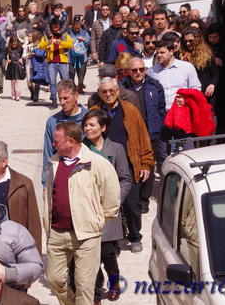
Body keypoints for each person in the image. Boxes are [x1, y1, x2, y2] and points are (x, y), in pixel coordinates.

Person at [43, 121, 120, 305]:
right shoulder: (52, 163)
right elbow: (48, 196)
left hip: (86, 234)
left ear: (71, 142)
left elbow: (111, 198)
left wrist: (97, 219)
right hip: (57, 234)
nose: (53, 145)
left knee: (85, 285)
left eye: (56, 141)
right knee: (54, 280)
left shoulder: (97, 163)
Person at [90, 77, 154, 253]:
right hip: (103, 165)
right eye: (104, 91)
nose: (108, 94)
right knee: (108, 205)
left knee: (132, 203)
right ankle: (114, 241)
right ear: (99, 94)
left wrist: (146, 164)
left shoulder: (130, 111)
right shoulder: (94, 112)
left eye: (112, 90)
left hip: (129, 164)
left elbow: (143, 136)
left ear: (118, 91)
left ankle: (135, 236)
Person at [81, 110, 132, 304]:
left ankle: (114, 281)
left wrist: (114, 200)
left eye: (92, 125)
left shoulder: (116, 149)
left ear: (103, 127)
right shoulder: (80, 149)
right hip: (86, 210)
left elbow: (125, 179)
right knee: (89, 257)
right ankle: (94, 294)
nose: (88, 128)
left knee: (108, 254)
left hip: (108, 212)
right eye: (86, 125)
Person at [121, 58, 166, 213]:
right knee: (132, 164)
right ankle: (132, 197)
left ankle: (144, 199)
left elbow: (161, 109)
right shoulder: (122, 87)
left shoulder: (154, 85)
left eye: (141, 69)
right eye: (134, 70)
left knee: (149, 165)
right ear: (128, 71)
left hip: (151, 132)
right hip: (131, 133)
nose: (138, 73)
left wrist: (158, 127)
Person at [42, 80, 88, 184]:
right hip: (61, 177)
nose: (62, 102)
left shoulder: (89, 119)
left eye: (66, 98)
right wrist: (46, 184)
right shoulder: (52, 122)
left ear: (76, 96)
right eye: (60, 99)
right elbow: (48, 155)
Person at [147, 39, 201, 111]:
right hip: (161, 113)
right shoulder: (151, 71)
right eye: (157, 53)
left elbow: (196, 88)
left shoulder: (187, 67)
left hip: (182, 111)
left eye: (162, 52)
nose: (159, 55)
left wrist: (186, 100)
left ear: (171, 51)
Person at [39, 18, 73, 109]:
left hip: (62, 62)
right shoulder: (47, 36)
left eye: (57, 27)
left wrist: (61, 42)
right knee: (52, 82)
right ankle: (54, 100)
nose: (55, 29)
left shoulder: (64, 34)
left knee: (66, 81)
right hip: (51, 62)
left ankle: (67, 98)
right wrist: (48, 43)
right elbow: (40, 47)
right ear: (51, 27)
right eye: (53, 27)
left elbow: (70, 45)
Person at [180, 27, 218, 105]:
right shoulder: (181, 54)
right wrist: (181, 63)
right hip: (187, 95)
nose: (188, 43)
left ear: (197, 40)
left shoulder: (207, 54)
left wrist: (212, 84)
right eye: (186, 41)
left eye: (191, 41)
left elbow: (215, 73)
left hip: (204, 94)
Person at [68, 17, 90, 93]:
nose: (77, 28)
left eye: (78, 27)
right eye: (75, 27)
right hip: (71, 57)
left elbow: (88, 42)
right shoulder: (69, 32)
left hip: (82, 57)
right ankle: (72, 88)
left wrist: (84, 40)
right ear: (72, 26)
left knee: (81, 72)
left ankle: (80, 86)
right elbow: (64, 41)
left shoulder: (84, 32)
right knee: (71, 73)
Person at [27, 32, 48, 102]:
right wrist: (28, 55)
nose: (29, 38)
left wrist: (34, 53)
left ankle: (36, 96)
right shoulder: (27, 45)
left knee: (37, 80)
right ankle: (32, 93)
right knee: (28, 81)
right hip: (29, 65)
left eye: (30, 37)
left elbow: (43, 54)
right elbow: (23, 55)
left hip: (38, 64)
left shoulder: (42, 46)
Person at [5, 36, 26, 101]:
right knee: (13, 81)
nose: (14, 44)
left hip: (18, 65)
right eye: (13, 43)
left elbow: (24, 55)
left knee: (18, 81)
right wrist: (6, 59)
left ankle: (17, 94)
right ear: (10, 43)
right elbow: (4, 55)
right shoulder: (8, 48)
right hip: (11, 65)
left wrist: (22, 59)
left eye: (15, 43)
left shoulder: (20, 48)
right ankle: (13, 93)